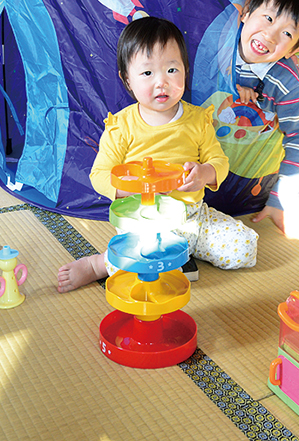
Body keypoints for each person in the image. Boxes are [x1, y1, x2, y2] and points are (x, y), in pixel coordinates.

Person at [57, 16, 258, 293]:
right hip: (146, 222)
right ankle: (98, 264)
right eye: (147, 73)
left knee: (245, 248)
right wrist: (130, 188)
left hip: (193, 217)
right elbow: (99, 175)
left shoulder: (198, 120)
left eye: (172, 70)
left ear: (186, 71)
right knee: (140, 262)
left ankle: (186, 251)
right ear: (127, 80)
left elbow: (219, 162)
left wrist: (204, 173)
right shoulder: (121, 126)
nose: (162, 82)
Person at [229, 0, 299, 233]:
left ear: (295, 49)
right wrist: (234, 89)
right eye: (268, 18)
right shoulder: (219, 42)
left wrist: (280, 198)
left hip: (247, 162)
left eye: (287, 33)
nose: (269, 35)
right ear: (246, 12)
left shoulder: (288, 83)